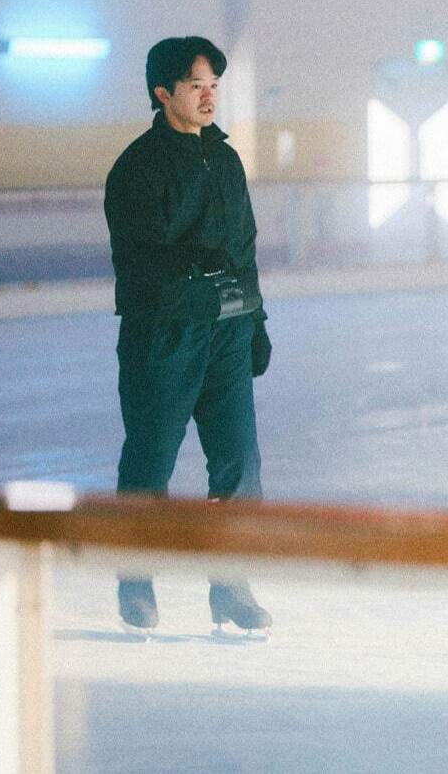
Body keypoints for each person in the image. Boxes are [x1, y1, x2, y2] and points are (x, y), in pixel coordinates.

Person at [104, 36, 273, 639]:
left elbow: (244, 246)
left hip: (227, 333)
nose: (208, 97)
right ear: (163, 93)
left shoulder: (225, 161)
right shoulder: (137, 168)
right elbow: (139, 258)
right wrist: (194, 277)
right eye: (196, 85)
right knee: (151, 458)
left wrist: (257, 321)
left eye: (214, 86)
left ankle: (231, 586)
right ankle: (136, 579)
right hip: (164, 335)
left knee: (239, 462)